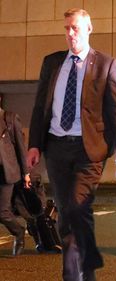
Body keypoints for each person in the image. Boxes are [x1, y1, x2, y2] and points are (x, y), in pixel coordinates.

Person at [26, 8, 116, 281]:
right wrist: (34, 145)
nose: (70, 33)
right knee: (67, 214)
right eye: (66, 28)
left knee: (76, 206)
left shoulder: (106, 64)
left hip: (90, 151)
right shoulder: (52, 63)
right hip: (57, 148)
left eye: (75, 27)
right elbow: (41, 106)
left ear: (89, 29)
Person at [0, 93, 31, 256]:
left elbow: (20, 147)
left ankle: (19, 232)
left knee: (3, 212)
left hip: (6, 173)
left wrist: (26, 173)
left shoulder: (9, 118)